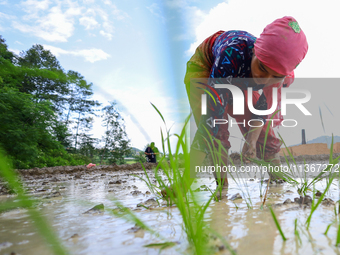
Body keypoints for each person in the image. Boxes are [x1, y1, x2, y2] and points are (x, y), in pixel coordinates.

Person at [183, 16, 308, 190]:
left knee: (265, 135)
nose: (265, 81)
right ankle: (222, 189)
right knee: (217, 131)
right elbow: (209, 123)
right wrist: (183, 184)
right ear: (255, 51)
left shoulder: (280, 77)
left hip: (242, 78)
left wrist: (251, 141)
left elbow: (262, 109)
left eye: (276, 76)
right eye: (262, 68)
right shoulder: (231, 55)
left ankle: (278, 183)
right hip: (207, 67)